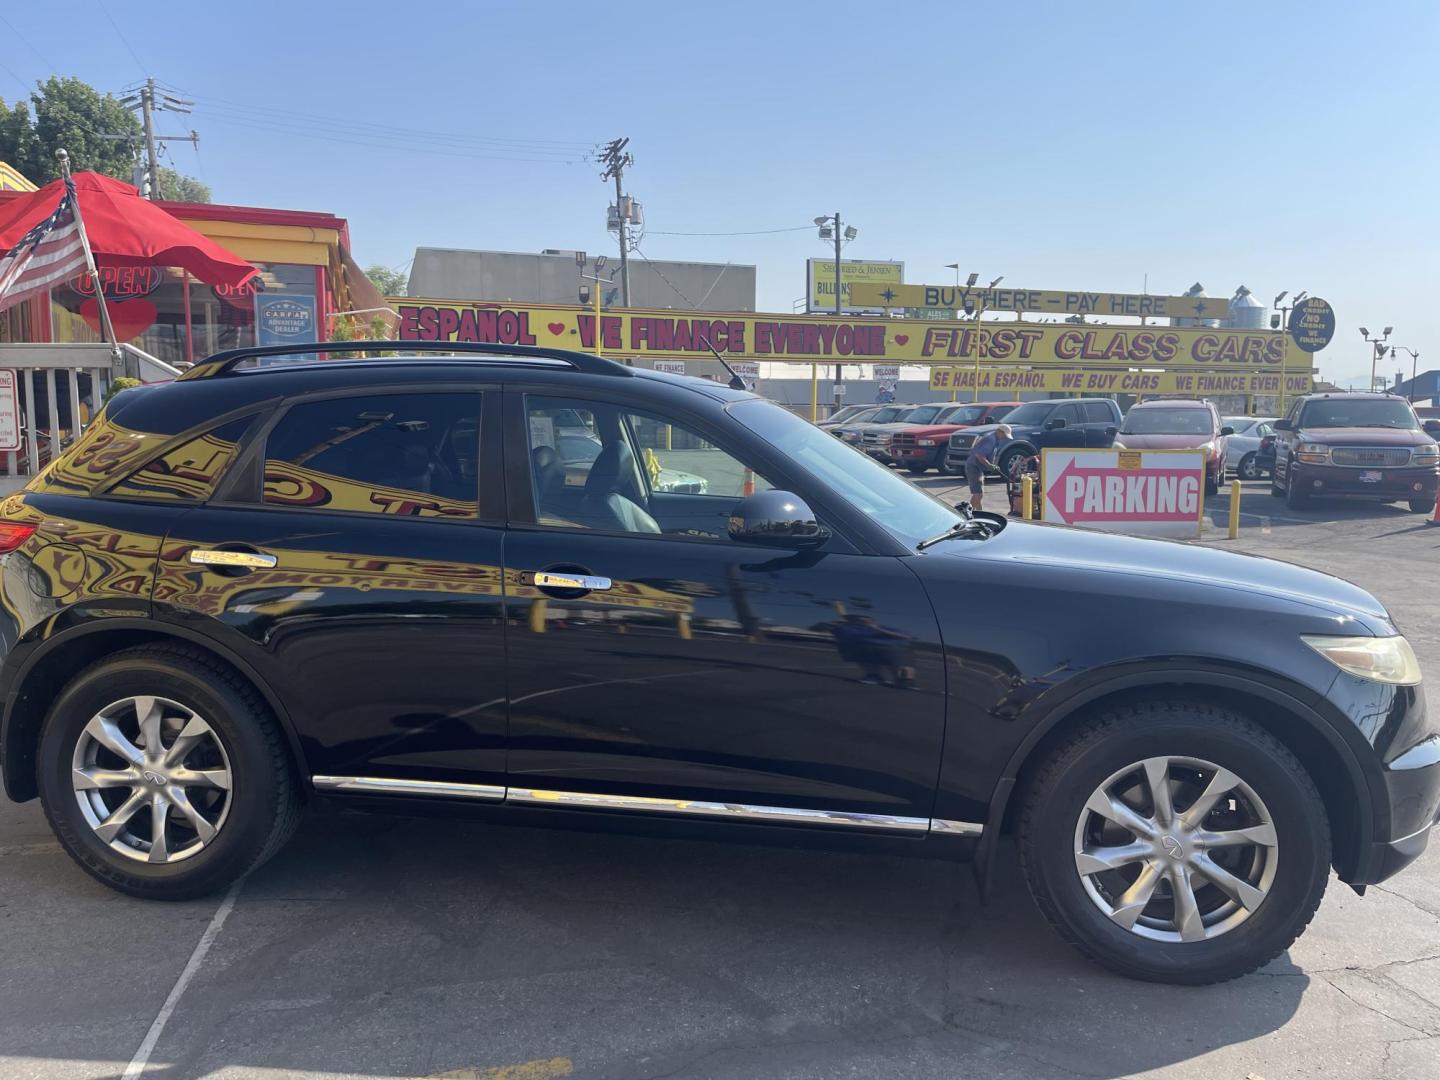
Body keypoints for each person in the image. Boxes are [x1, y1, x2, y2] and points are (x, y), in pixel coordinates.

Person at [965, 423, 1013, 512]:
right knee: (978, 494)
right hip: (974, 467)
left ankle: (968, 512)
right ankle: (979, 513)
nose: (1005, 438)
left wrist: (992, 465)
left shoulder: (996, 439)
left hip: (976, 467)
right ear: (999, 431)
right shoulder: (990, 439)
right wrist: (989, 466)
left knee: (977, 494)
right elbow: (980, 455)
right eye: (1005, 435)